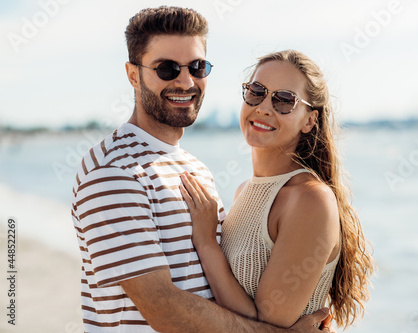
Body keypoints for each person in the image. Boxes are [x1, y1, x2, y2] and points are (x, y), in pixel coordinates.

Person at [71, 6, 332, 333]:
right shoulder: (114, 171)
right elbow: (165, 310)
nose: (185, 81)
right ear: (133, 74)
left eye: (197, 67)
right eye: (167, 69)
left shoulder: (195, 169)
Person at [180, 49, 375, 330]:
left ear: (309, 120)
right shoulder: (243, 191)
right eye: (257, 91)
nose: (264, 107)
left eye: (284, 100)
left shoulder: (310, 199)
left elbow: (265, 325)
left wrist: (207, 243)